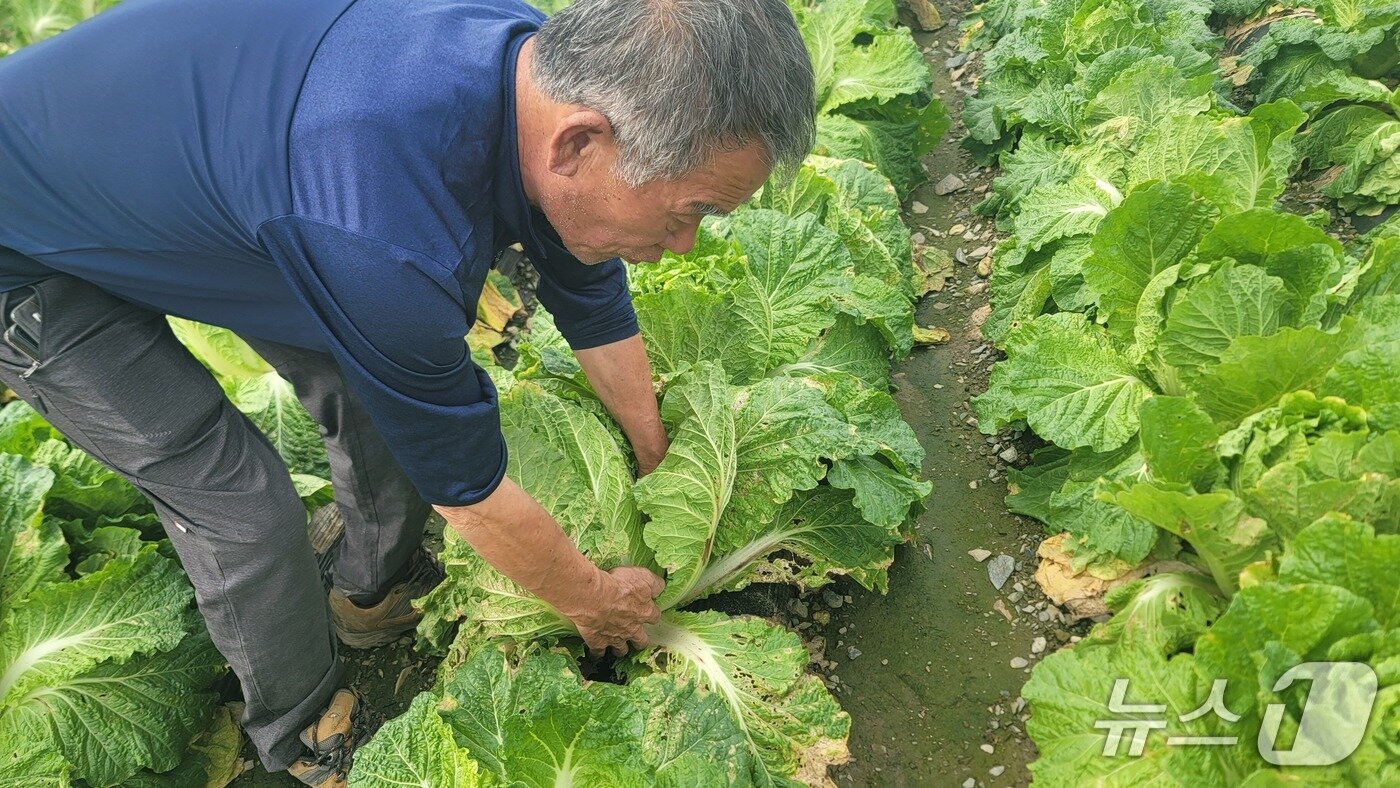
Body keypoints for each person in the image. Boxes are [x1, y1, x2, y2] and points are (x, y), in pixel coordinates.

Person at [0, 0, 815, 784]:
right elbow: (468, 492)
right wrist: (595, 601)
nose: (683, 245)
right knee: (237, 500)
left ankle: (367, 589)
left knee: (367, 381)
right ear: (578, 145)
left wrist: (655, 451)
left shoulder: (540, 63)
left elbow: (586, 277)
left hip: (210, 181)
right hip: (21, 247)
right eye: (686, 214)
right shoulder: (383, 238)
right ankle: (298, 724)